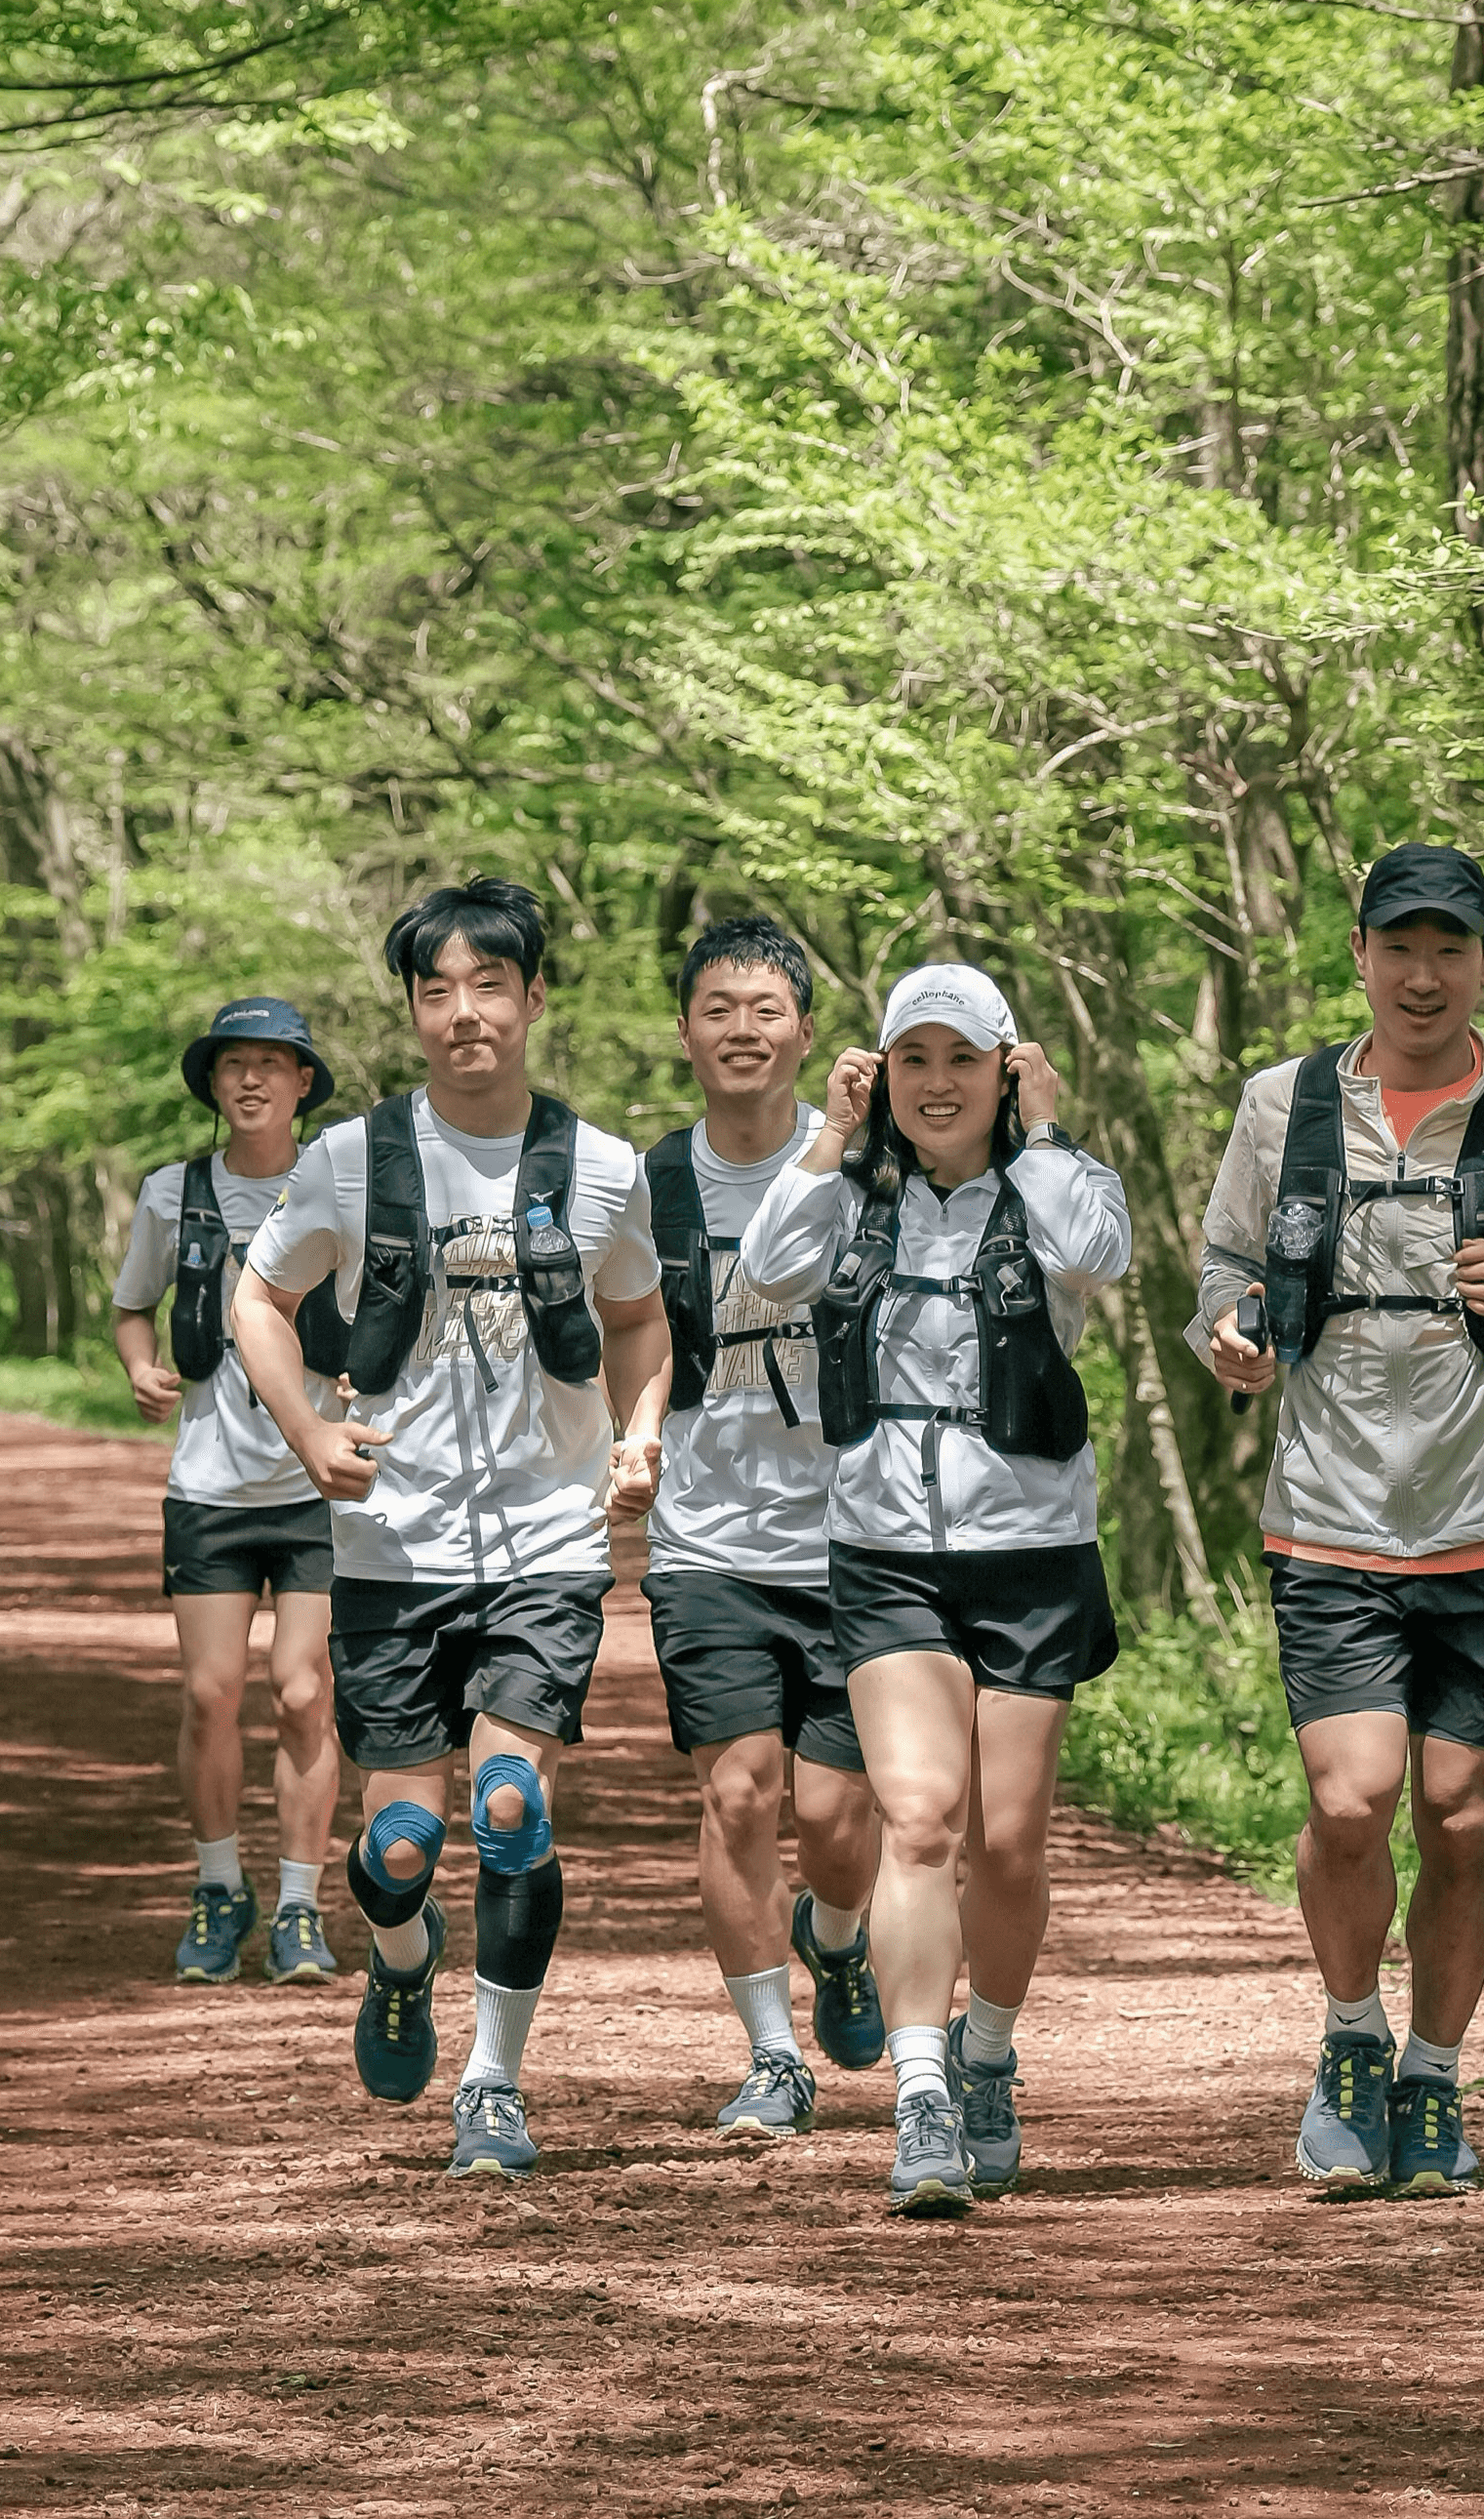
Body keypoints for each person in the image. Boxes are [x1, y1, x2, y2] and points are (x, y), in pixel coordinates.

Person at [1194, 843, 1484, 2199]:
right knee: (1353, 1799)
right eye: (1400, 947)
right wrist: (1228, 1332)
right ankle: (1348, 2042)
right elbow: (1224, 1264)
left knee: (1457, 1813)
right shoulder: (1282, 1109)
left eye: (1451, 948)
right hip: (1327, 1515)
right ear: (1359, 954)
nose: (1423, 975)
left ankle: (1435, 2074)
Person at [234, 879, 670, 2180]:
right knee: (406, 1843)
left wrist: (640, 1434)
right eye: (439, 990)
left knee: (513, 1803)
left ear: (535, 999)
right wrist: (309, 1434)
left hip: (548, 1540)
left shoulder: (599, 1168)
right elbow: (261, 1303)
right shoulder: (350, 1160)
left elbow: (640, 1319)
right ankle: (404, 1956)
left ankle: (494, 2082)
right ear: (415, 1009)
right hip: (390, 1550)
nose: (465, 1012)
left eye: (490, 986)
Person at [739, 962, 1132, 2216]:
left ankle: (988, 2057)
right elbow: (763, 1268)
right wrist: (831, 1131)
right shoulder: (853, 1191)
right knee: (919, 1818)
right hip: (885, 1551)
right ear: (885, 1073)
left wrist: (1049, 1126)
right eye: (915, 1060)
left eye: (964, 1060)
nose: (939, 1084)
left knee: (1007, 1843)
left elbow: (1099, 1253)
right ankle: (919, 2095)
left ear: (1004, 1070)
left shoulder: (1051, 1185)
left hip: (1031, 1554)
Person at [638, 915, 885, 2139]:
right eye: (718, 1008)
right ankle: (771, 2054)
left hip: (856, 1536)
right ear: (684, 1030)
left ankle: (833, 1938)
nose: (743, 1029)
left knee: (840, 1827)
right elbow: (601, 1348)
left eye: (767, 1008)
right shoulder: (643, 1185)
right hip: (705, 1543)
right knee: (740, 1795)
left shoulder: (870, 1166)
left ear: (803, 1028)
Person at [111, 995, 346, 1988]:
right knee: (210, 1695)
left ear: (303, 1084)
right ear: (212, 1084)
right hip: (207, 1484)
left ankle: (299, 1903)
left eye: (272, 1063)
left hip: (321, 1486)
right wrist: (138, 1366)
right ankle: (218, 1886)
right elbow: (132, 1306)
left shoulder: (343, 1186)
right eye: (232, 1064)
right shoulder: (173, 1195)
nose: (251, 1079)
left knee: (302, 1692)